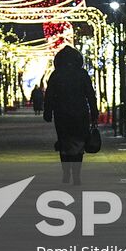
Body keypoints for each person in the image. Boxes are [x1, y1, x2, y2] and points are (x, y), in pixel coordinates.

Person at [42, 45, 97, 186]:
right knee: (79, 145)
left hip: (61, 114)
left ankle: (66, 173)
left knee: (64, 144)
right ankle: (76, 175)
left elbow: (49, 96)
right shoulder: (82, 74)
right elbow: (91, 95)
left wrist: (47, 112)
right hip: (80, 114)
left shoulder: (56, 75)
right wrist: (94, 113)